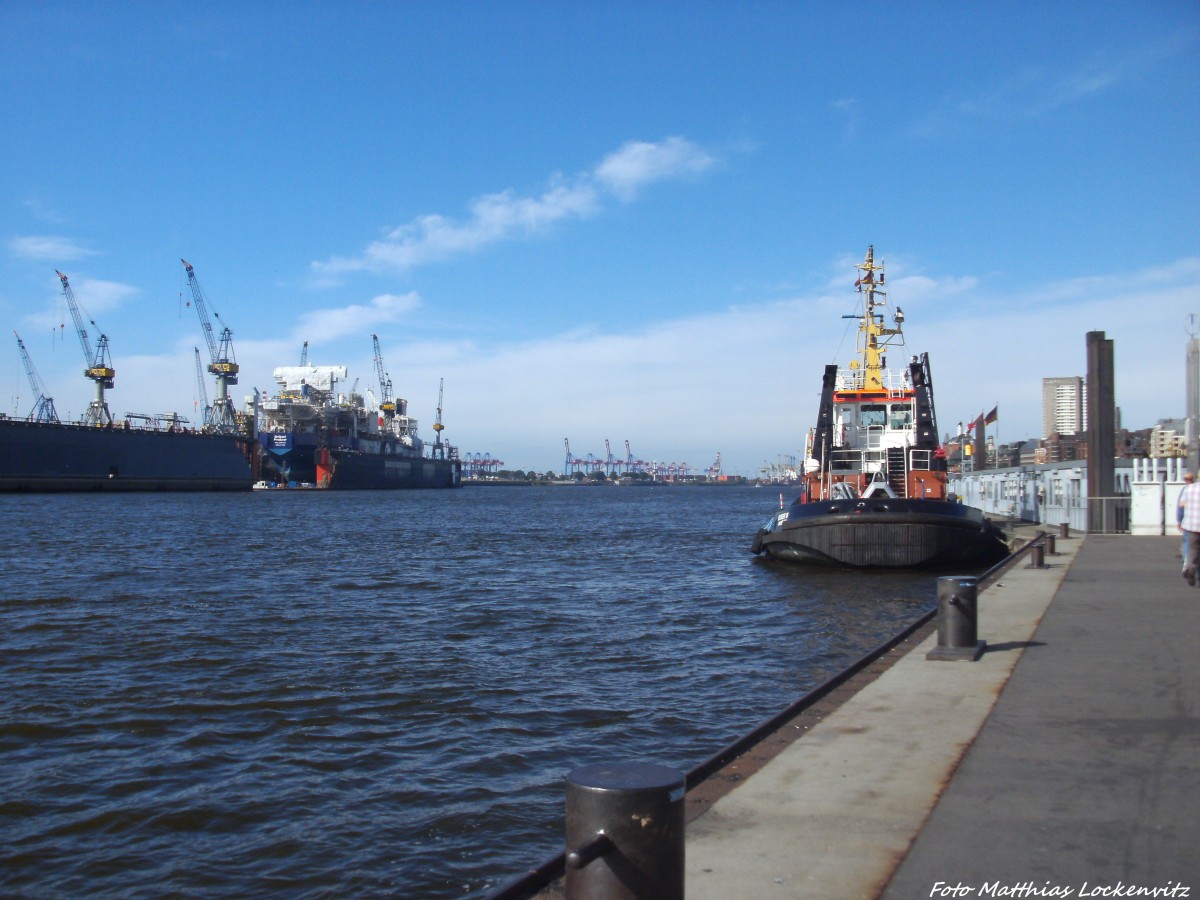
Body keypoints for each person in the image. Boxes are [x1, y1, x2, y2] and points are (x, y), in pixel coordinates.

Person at [1177, 471, 1200, 586]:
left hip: (1191, 525)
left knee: (1192, 549)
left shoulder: (1188, 489)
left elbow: (1181, 505)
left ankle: (1190, 568)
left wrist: (1180, 520)